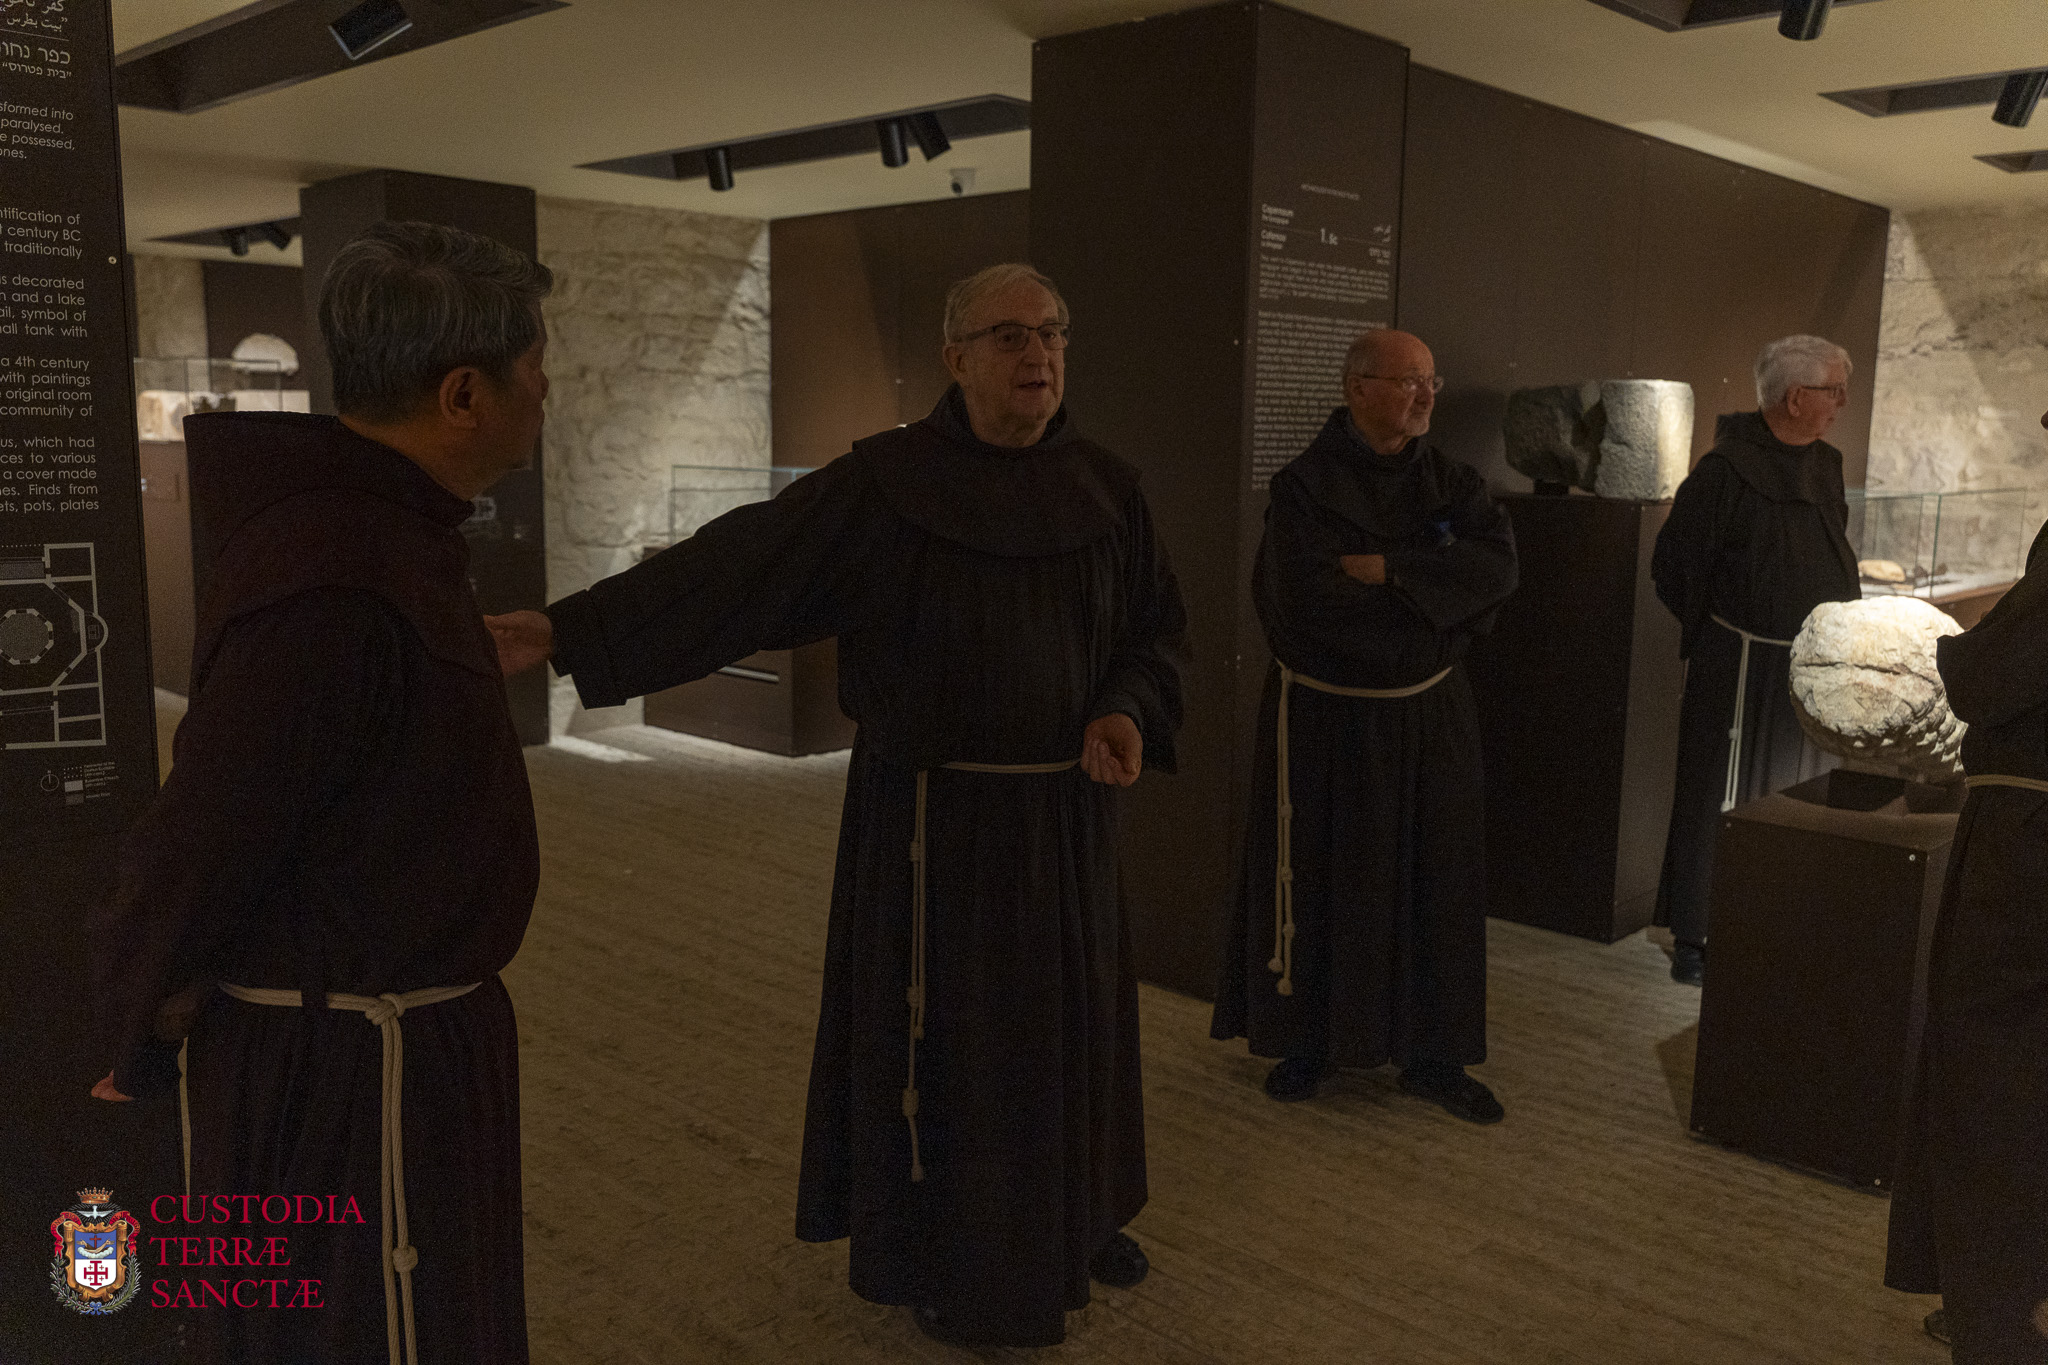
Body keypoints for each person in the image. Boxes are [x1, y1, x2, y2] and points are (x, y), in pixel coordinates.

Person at [487, 262, 1188, 1349]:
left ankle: (1079, 1213)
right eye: (1009, 336)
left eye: (1051, 332)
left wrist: (1125, 708)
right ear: (955, 359)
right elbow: (739, 567)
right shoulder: (887, 485)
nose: (1038, 353)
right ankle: (941, 1250)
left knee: (1073, 1027)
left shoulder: (1110, 491)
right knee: (948, 1042)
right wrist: (570, 629)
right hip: (931, 828)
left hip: (1062, 821)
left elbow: (1153, 637)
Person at [90, 221, 549, 1364]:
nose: (547, 393)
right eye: (537, 369)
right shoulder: (337, 574)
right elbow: (212, 823)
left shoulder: (377, 540)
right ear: (463, 394)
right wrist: (142, 1003)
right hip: (351, 1069)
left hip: (387, 1045)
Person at [1209, 328, 1517, 1122]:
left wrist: (1393, 571)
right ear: (1357, 389)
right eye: (1408, 381)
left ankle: (1434, 1055)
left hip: (1431, 717)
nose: (1426, 396)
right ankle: (1307, 1041)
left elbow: (1495, 571)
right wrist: (1431, 608)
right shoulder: (1303, 489)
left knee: (1436, 880)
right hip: (1328, 719)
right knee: (1321, 875)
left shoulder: (1454, 483)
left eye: (1431, 380)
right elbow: (1306, 603)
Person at [1885, 463, 2048, 1361]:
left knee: (1994, 1076)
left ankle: (1998, 1308)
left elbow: (1987, 681)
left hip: (2030, 842)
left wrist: (1958, 650)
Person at [1649, 335, 1861, 987]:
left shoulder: (1826, 463)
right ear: (1796, 398)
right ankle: (1700, 934)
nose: (1841, 402)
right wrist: (1726, 630)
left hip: (1806, 664)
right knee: (1718, 796)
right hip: (1738, 664)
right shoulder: (1724, 473)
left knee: (1796, 793)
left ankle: (1778, 920)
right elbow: (1675, 566)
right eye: (1833, 390)